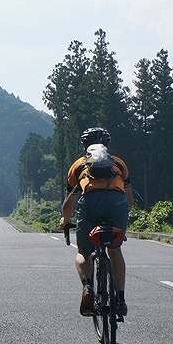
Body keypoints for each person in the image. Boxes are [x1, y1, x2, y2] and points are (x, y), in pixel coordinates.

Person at [59, 127, 134, 317]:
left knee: (84, 251)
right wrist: (120, 215)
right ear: (107, 146)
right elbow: (130, 200)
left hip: (90, 204)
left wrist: (65, 220)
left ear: (85, 147)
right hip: (118, 204)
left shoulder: (78, 166)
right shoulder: (118, 164)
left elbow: (69, 203)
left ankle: (88, 289)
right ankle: (121, 300)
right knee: (115, 251)